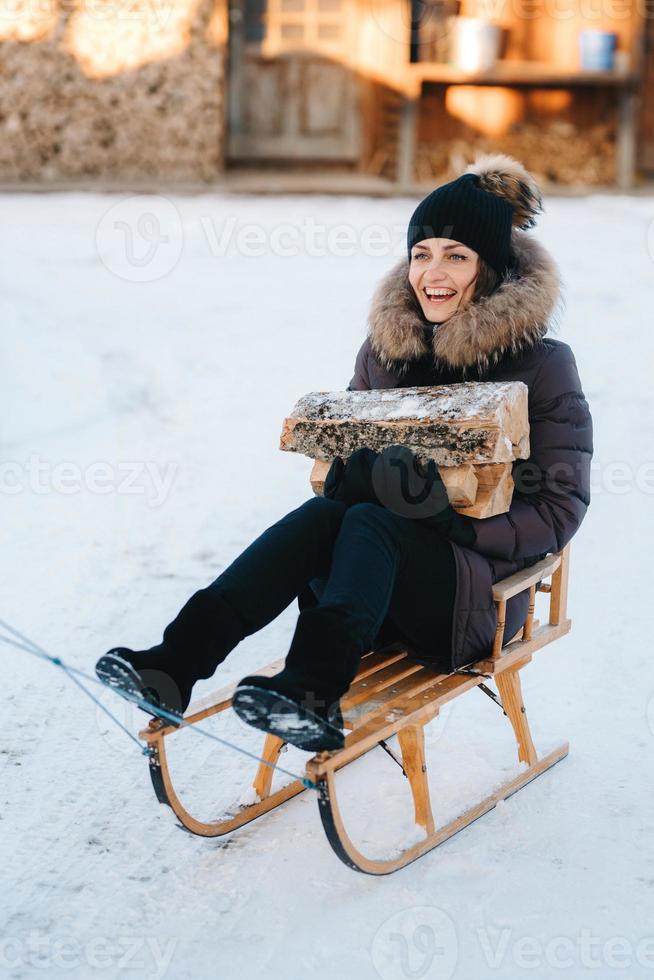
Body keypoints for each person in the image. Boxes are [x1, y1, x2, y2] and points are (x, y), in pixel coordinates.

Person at [95, 153, 593, 753]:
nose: (433, 273)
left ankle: (312, 690)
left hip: (474, 598)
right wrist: (351, 478)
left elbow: (561, 508)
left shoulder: (542, 365)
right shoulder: (384, 354)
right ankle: (175, 664)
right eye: (421, 254)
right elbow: (345, 460)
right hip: (368, 592)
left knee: (370, 522)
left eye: (456, 256)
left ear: (490, 270)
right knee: (332, 515)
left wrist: (453, 524)